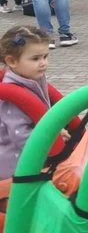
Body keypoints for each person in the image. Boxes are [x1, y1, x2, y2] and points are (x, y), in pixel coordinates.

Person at [0, 25, 53, 182]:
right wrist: (50, 143)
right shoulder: (11, 94)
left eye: (45, 56)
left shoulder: (32, 79)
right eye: (35, 59)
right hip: (16, 166)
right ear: (12, 61)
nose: (43, 63)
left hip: (29, 159)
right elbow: (20, 135)